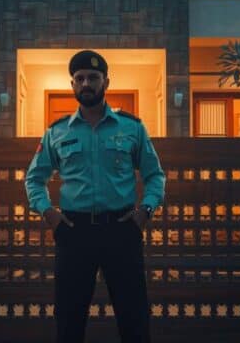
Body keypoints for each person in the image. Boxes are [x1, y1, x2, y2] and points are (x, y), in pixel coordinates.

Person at [25, 49, 166, 343]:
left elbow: (155, 176)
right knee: (69, 320)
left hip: (122, 229)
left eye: (93, 77)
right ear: (72, 85)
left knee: (134, 320)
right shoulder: (57, 132)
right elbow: (34, 179)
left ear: (106, 82)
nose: (86, 83)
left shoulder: (132, 127)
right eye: (80, 78)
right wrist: (50, 215)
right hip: (74, 232)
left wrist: (145, 212)